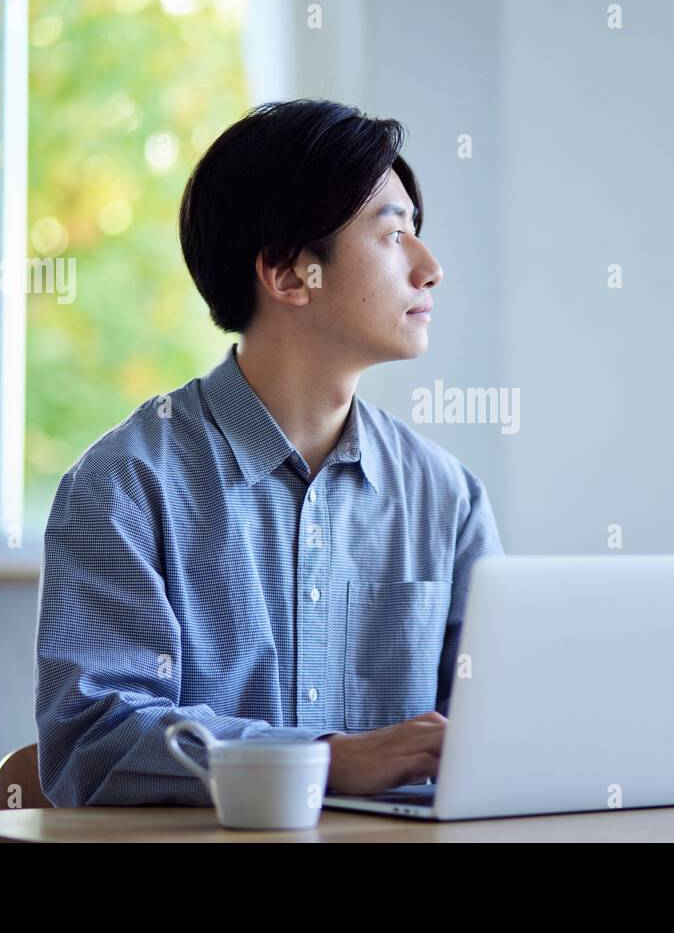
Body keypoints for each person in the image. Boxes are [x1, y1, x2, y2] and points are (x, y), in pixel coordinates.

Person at [34, 99, 505, 806]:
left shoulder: (448, 496)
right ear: (288, 275)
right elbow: (93, 742)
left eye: (419, 233)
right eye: (392, 234)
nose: (430, 267)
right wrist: (324, 759)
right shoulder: (125, 488)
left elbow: (496, 734)